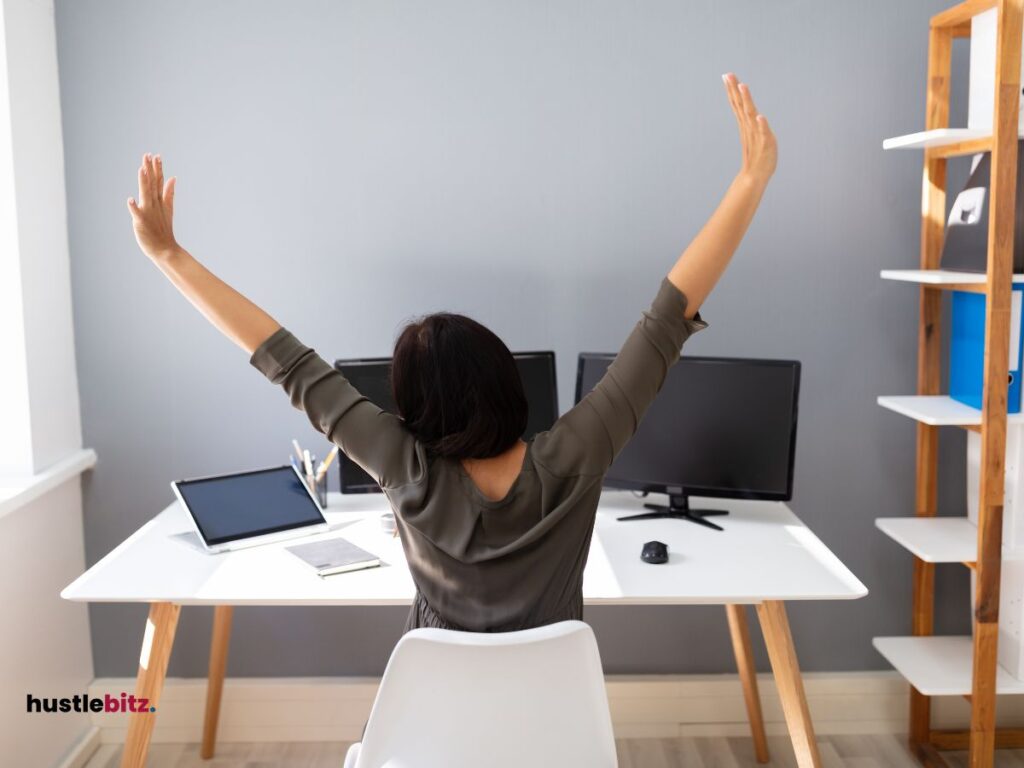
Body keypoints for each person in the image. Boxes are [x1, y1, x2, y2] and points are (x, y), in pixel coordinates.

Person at [127, 73, 776, 632]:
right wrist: (749, 182)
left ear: (411, 406)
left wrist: (169, 256)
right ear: (505, 382)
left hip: (432, 729)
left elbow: (284, 361)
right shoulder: (575, 456)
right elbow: (667, 320)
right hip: (555, 726)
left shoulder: (401, 467)